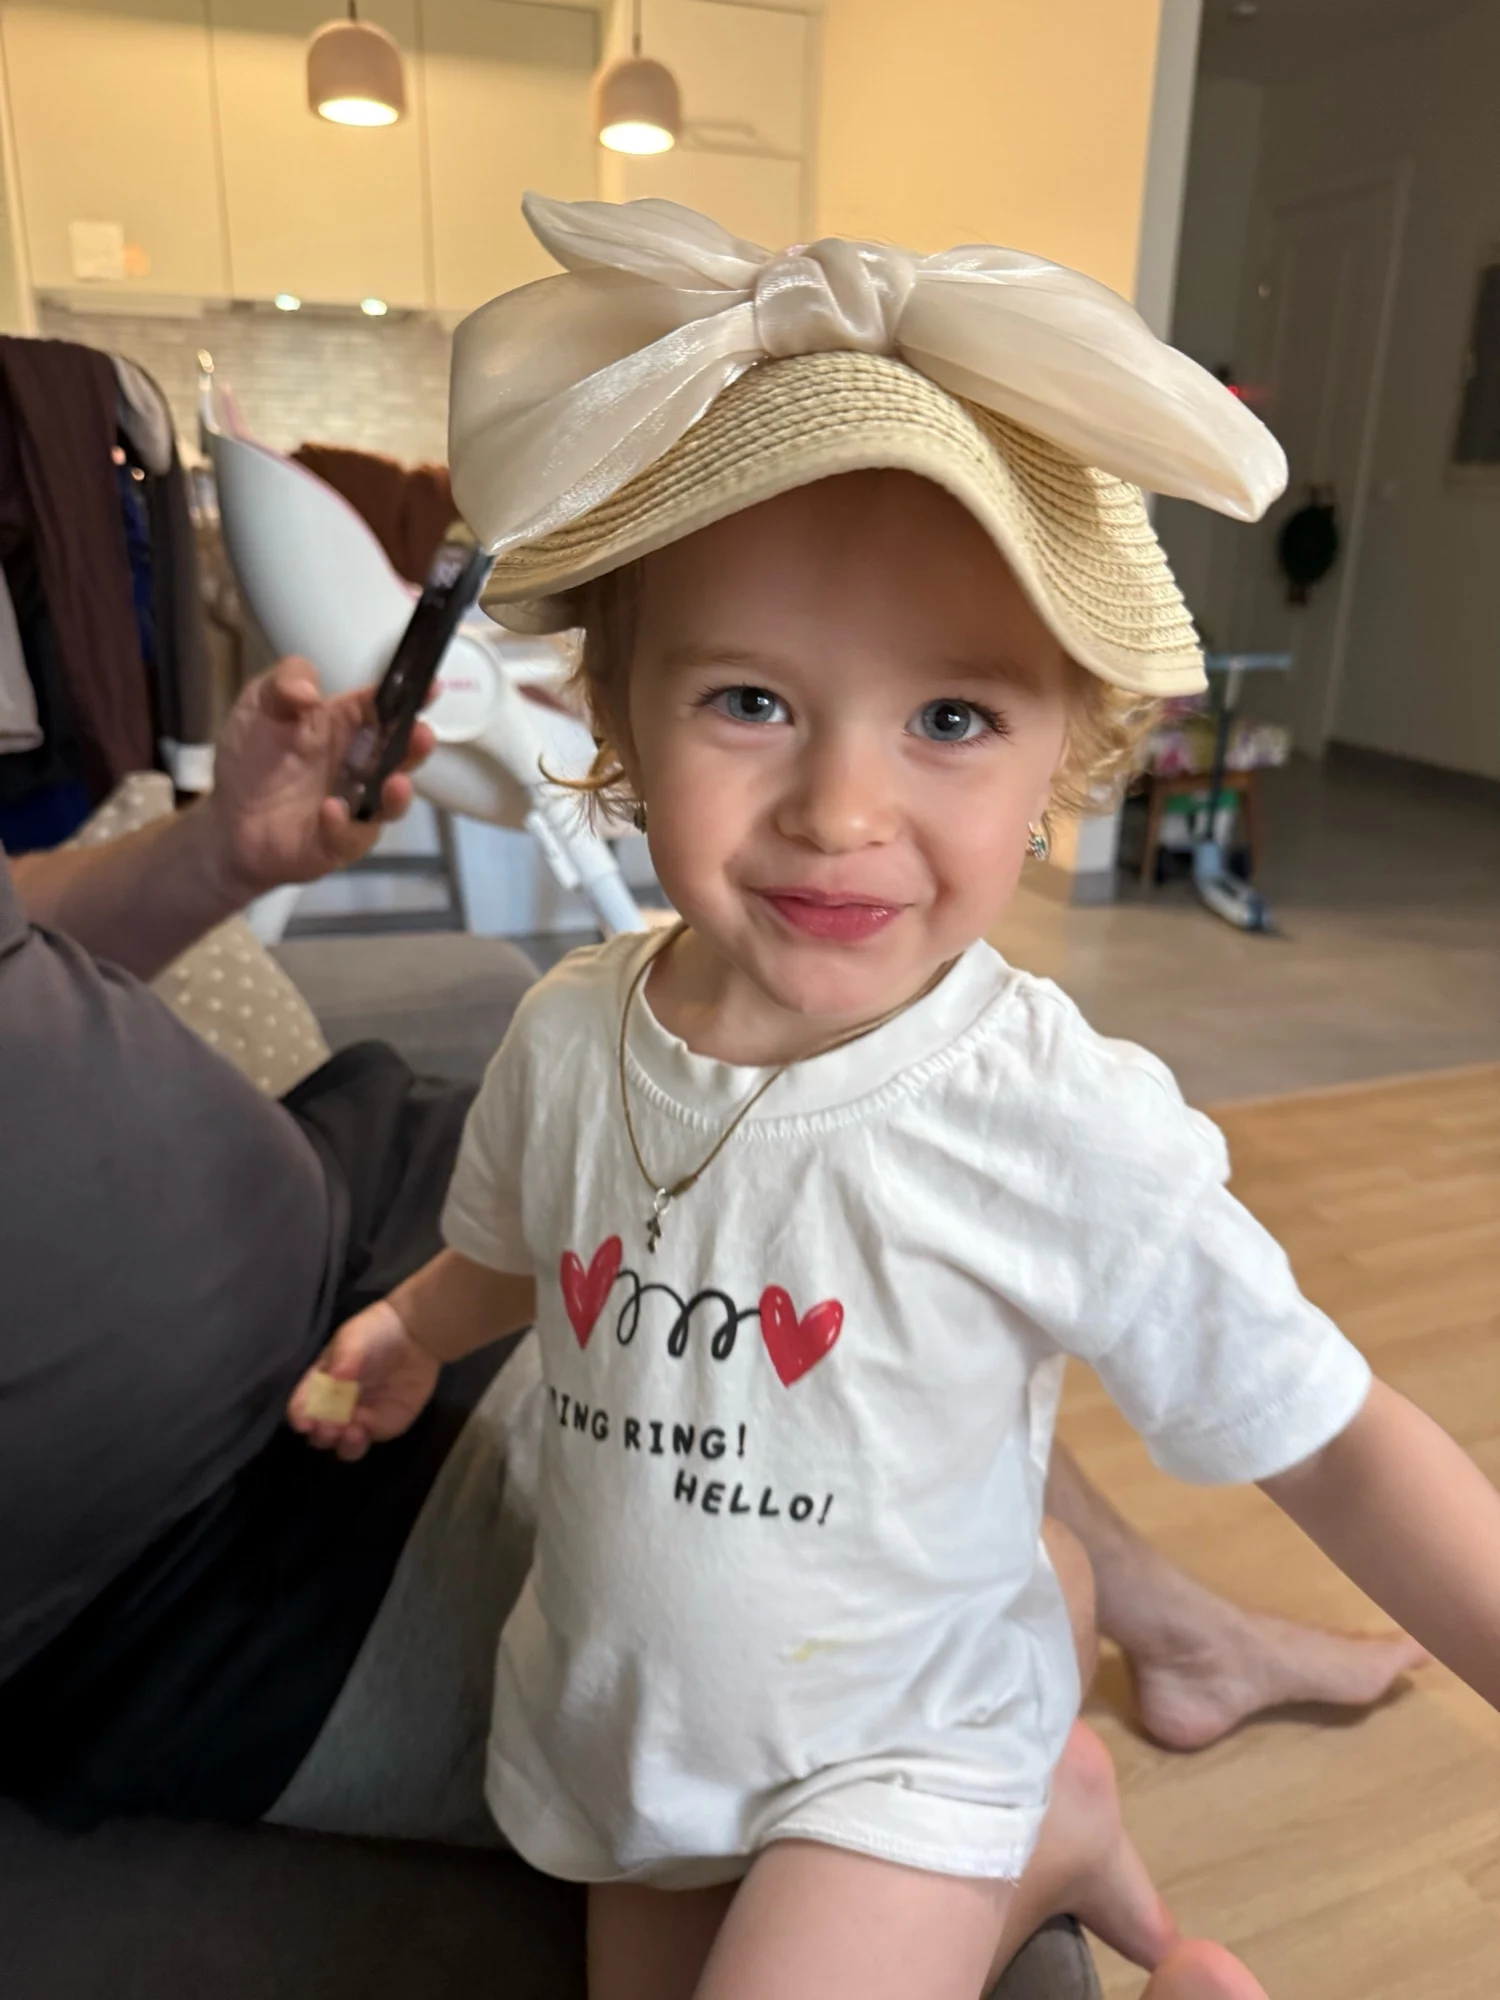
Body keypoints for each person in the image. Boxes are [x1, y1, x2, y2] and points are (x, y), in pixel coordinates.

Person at [288, 197, 1497, 2000]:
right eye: (751, 700)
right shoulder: (566, 1035)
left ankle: (1015, 1812)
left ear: (1068, 748)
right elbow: (521, 1248)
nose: (841, 812)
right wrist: (408, 1327)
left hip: (904, 1745)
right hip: (635, 1746)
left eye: (950, 720)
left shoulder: (1050, 1116)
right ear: (618, 711)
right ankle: (1065, 1833)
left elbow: (1323, 1434)